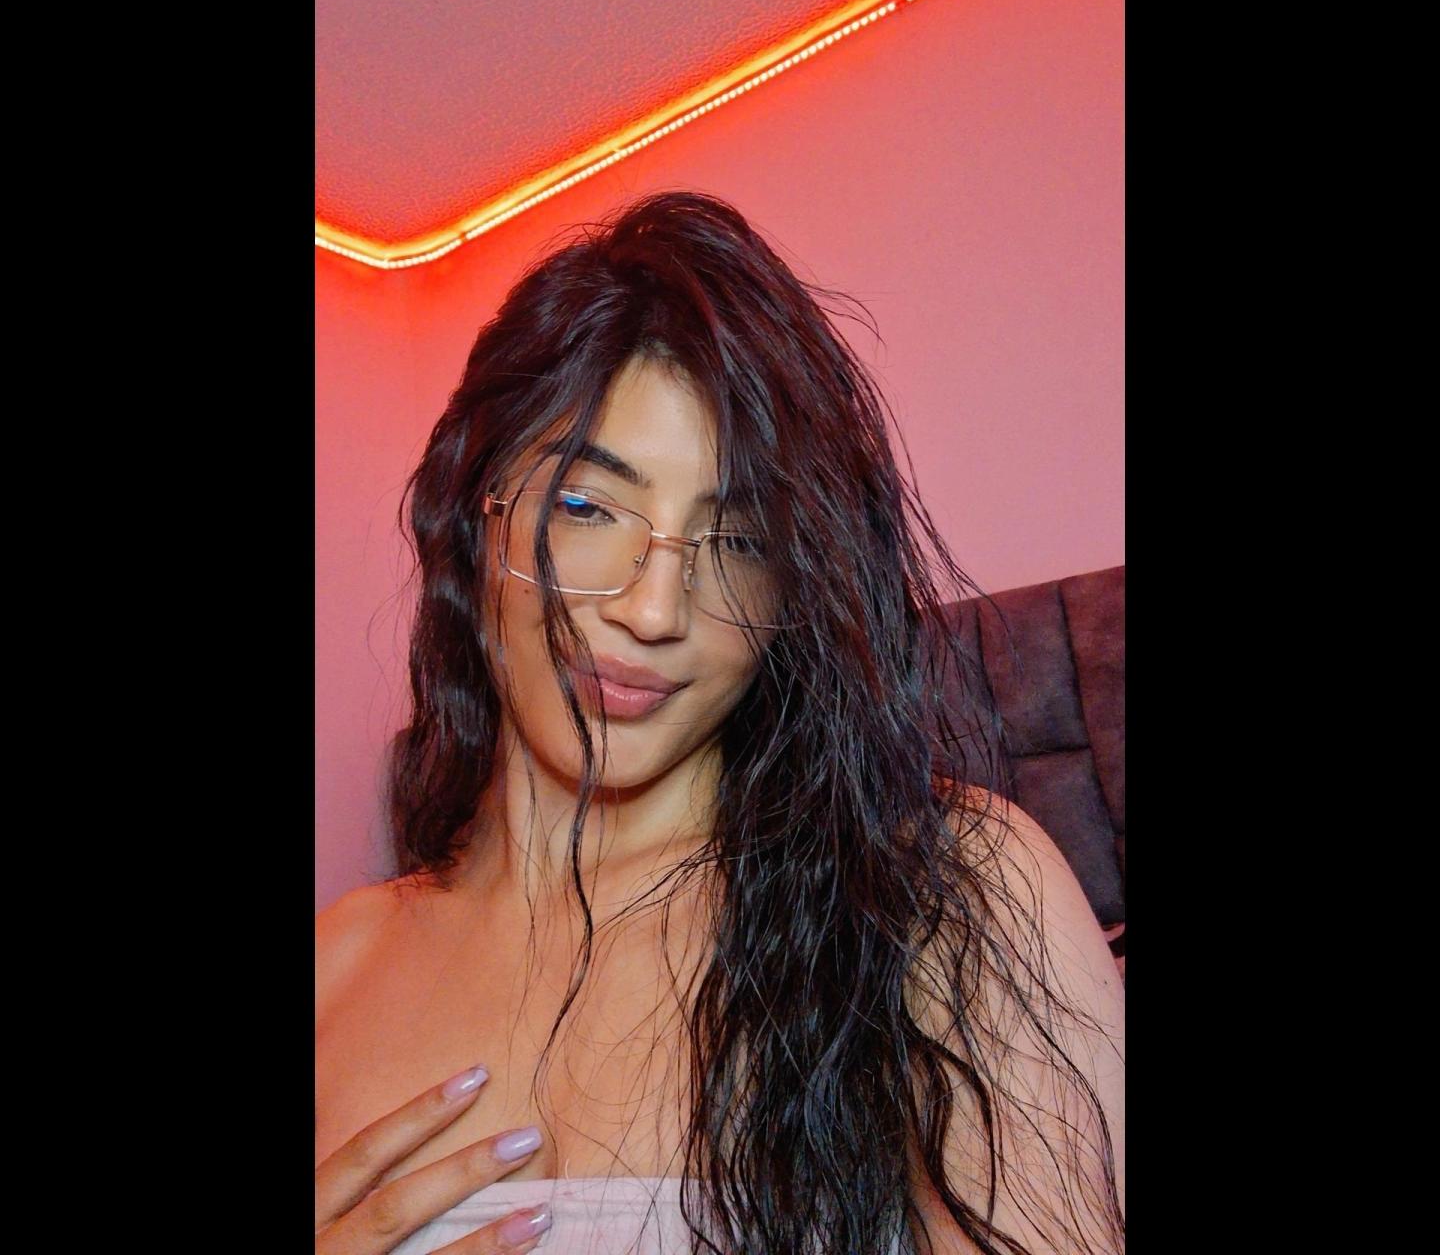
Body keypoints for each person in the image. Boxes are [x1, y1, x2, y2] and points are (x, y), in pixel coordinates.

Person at [315, 191, 1124, 1254]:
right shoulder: (338, 965)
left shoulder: (942, 898)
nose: (655, 610)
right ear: (478, 515)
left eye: (738, 542)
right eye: (586, 507)